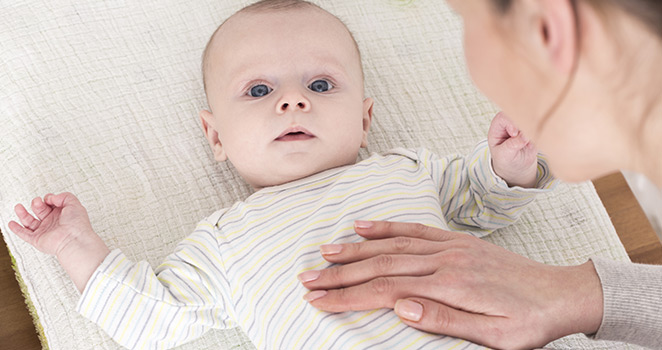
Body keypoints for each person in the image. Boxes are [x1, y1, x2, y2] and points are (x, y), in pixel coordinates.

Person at [8, 0, 556, 349]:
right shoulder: (226, 241)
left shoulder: (409, 171)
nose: (293, 101)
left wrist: (509, 165)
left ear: (365, 120)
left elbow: (481, 205)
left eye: (320, 86)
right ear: (216, 136)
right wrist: (75, 245)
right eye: (259, 90)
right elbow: (152, 319)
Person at [300, 0, 662, 349]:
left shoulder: (402, 169)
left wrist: (503, 171)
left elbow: (476, 195)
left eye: (461, 17)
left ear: (549, 31)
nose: (292, 103)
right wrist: (583, 294)